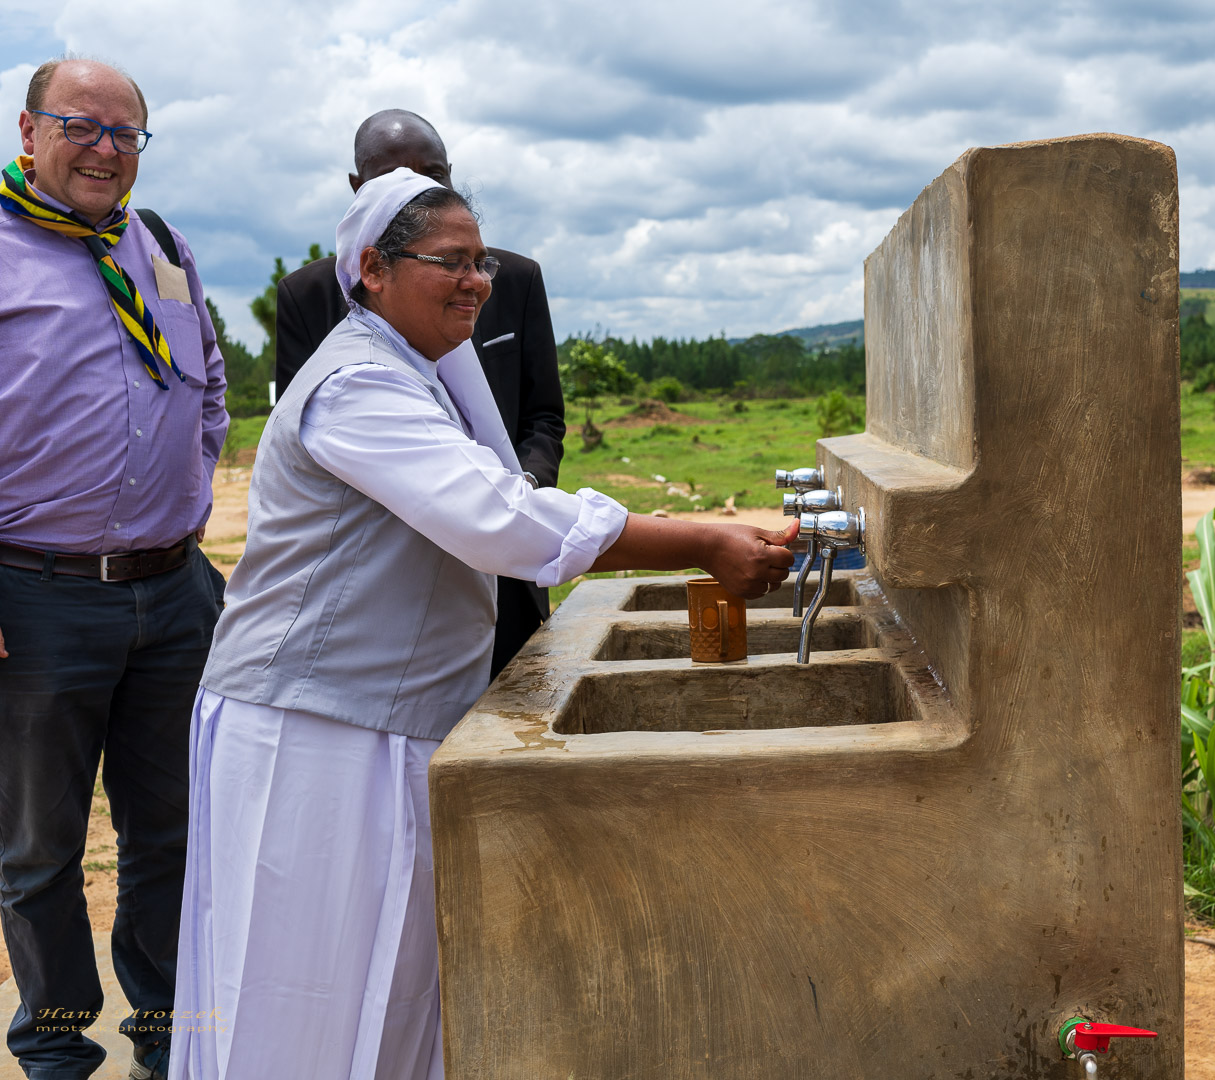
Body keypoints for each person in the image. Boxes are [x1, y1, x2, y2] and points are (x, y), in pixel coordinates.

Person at [170, 169, 796, 1079]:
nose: (474, 282)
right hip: (310, 735)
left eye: (481, 263)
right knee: (303, 993)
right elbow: (499, 517)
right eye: (450, 262)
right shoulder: (356, 387)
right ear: (375, 269)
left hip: (376, 722)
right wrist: (698, 538)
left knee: (385, 986)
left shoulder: (411, 376)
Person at [0, 58, 228, 1080]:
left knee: (172, 834)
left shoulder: (163, 244)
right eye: (80, 126)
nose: (105, 149)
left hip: (173, 593)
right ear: (28, 131)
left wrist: (190, 492)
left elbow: (207, 380)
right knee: (39, 848)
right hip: (33, 597)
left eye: (125, 132)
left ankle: (170, 1041)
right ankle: (54, 1051)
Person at [275, 110, 565, 677]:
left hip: (508, 566)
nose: (415, 191)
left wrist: (521, 491)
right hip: (387, 578)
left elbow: (542, 415)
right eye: (391, 178)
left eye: (432, 175)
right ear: (357, 188)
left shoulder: (507, 279)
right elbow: (309, 433)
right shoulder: (310, 297)